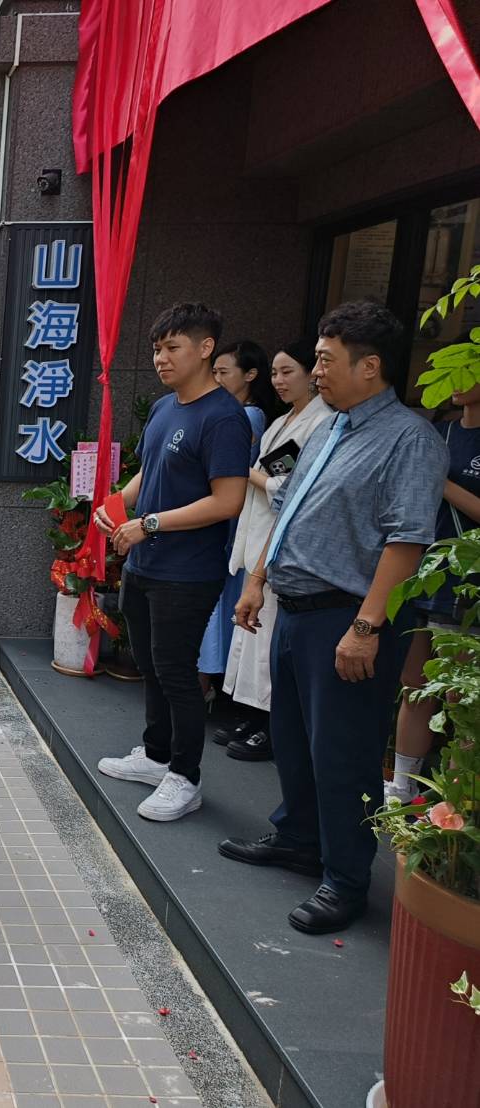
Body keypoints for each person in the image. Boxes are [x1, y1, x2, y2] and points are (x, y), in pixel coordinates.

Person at [219, 300, 445, 934]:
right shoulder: (327, 429)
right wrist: (258, 579)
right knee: (292, 740)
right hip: (296, 610)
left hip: (349, 619)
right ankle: (298, 837)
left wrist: (368, 627)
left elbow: (407, 542)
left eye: (325, 359)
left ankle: (346, 879)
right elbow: (285, 505)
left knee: (344, 755)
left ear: (369, 366)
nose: (315, 370)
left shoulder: (409, 439)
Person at [93, 303, 251, 822]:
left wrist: (150, 525)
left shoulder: (224, 418)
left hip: (188, 571)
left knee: (178, 672)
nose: (161, 358)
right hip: (145, 561)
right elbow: (149, 473)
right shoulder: (165, 409)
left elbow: (227, 501)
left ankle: (185, 778)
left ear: (206, 349)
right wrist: (117, 506)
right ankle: (156, 756)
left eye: (172, 347)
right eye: (157, 349)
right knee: (152, 663)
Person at [217, 340, 331, 760]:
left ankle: (269, 726)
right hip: (256, 533)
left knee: (268, 645)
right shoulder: (281, 422)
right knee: (252, 639)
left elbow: (288, 489)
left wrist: (248, 474)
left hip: (280, 542)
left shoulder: (320, 424)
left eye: (289, 372)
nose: (280, 381)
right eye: (276, 373)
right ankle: (252, 715)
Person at [385, 380, 480, 801]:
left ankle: (456, 801)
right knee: (413, 685)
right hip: (420, 574)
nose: (459, 381)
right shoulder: (439, 432)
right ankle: (402, 788)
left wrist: (439, 481)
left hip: (467, 583)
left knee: (460, 697)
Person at [198, 341, 279, 694]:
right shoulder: (242, 414)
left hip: (231, 521)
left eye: (223, 372)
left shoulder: (248, 416)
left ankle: (206, 681)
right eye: (213, 371)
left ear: (250, 375)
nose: (216, 378)